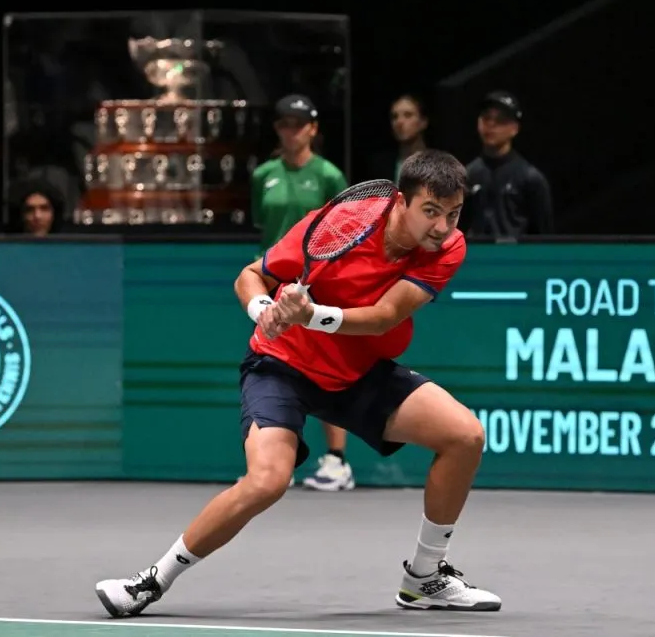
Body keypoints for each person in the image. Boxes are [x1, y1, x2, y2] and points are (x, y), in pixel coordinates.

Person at [95, 149, 502, 615]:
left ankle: (425, 577)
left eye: (452, 214)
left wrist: (312, 315)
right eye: (431, 212)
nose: (442, 227)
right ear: (399, 203)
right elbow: (251, 276)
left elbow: (385, 316)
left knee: (465, 435)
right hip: (282, 369)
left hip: (358, 373)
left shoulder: (449, 247)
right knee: (267, 481)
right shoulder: (338, 225)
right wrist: (264, 311)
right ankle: (151, 581)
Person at [250, 93, 355, 492]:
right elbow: (263, 222)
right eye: (283, 124)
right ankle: (276, 462)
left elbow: (348, 228)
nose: (290, 131)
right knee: (275, 369)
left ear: (312, 129)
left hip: (318, 287)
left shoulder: (329, 175)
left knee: (324, 370)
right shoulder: (264, 175)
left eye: (298, 124)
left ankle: (337, 462)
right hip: (274, 283)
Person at [459, 91, 554, 237]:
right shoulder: (468, 175)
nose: (491, 124)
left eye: (500, 120)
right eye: (486, 117)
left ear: (514, 128)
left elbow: (543, 234)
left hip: (516, 257)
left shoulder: (530, 178)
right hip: (477, 257)